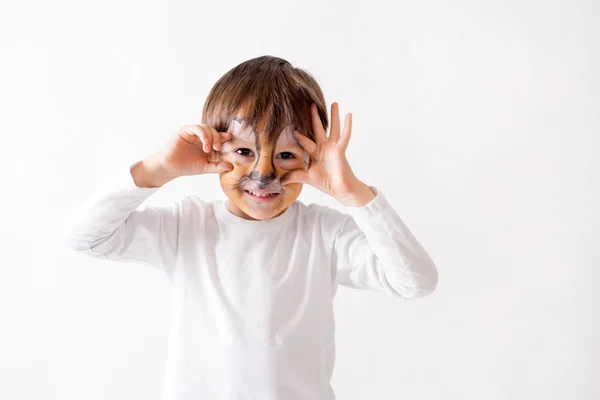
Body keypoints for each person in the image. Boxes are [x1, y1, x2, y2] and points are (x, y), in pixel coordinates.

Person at [65, 55, 438, 400]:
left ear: (312, 158)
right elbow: (88, 238)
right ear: (215, 150)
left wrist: (351, 191)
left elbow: (415, 281)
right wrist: (158, 168)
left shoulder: (324, 234)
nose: (264, 176)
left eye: (287, 155)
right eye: (244, 152)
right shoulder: (188, 228)